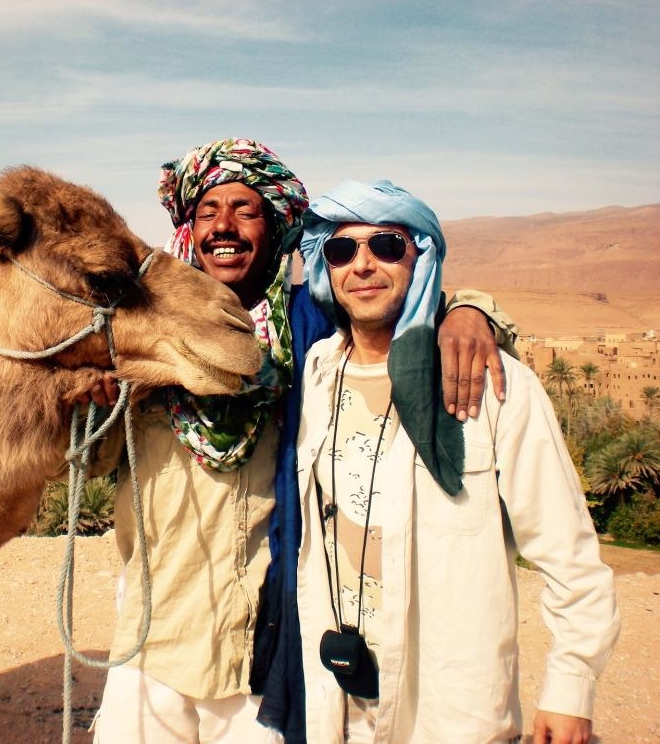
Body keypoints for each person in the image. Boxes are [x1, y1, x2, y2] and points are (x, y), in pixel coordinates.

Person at [89, 139, 516, 743]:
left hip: (261, 646)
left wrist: (471, 311)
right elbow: (91, 457)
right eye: (208, 211)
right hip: (152, 634)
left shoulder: (308, 325)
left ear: (275, 228)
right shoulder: (141, 334)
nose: (224, 227)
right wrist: (92, 403)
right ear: (189, 228)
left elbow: (404, 304)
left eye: (245, 210)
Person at [258, 180, 619, 742]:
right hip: (337, 699)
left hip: (448, 706)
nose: (363, 265)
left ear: (420, 257)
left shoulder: (492, 384)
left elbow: (566, 548)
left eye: (387, 245)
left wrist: (571, 686)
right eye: (341, 250)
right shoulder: (317, 373)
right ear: (326, 269)